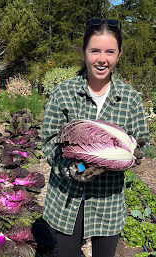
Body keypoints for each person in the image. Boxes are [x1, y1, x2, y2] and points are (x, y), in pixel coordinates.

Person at [42, 18, 149, 257]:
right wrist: (75, 168)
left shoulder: (129, 98)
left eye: (110, 51)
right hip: (66, 198)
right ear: (84, 53)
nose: (102, 59)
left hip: (108, 199)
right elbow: (49, 142)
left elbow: (143, 138)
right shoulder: (64, 92)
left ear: (118, 55)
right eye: (95, 51)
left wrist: (132, 154)